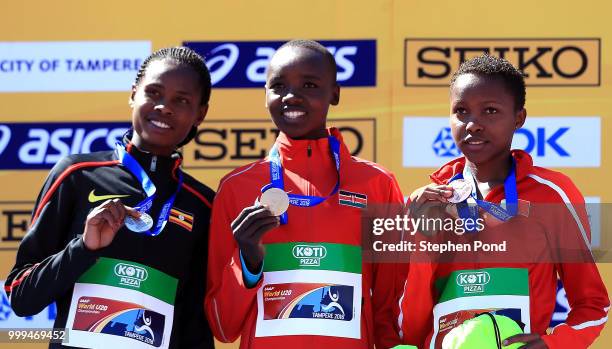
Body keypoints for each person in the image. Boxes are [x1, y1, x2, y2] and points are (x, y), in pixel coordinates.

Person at [5, 47, 215, 349]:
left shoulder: (202, 203)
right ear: (133, 94)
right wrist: (84, 247)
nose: (164, 107)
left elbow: (194, 322)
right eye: (153, 92)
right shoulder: (77, 175)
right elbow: (21, 297)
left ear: (200, 114)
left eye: (181, 100)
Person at [205, 39, 406, 349]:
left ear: (335, 93)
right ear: (265, 95)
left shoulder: (377, 185)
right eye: (279, 86)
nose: (291, 97)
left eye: (309, 85)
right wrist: (246, 261)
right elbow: (222, 326)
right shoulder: (237, 187)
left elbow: (390, 308)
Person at [399, 55, 609, 349]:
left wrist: (553, 345)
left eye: (490, 111)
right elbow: (410, 325)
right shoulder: (429, 201)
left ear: (519, 118)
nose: (473, 124)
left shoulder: (552, 195)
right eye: (461, 111)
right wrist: (420, 239)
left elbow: (593, 304)